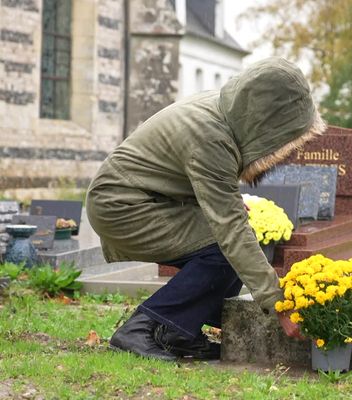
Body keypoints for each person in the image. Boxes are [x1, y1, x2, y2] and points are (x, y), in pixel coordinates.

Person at [86, 57, 325, 361]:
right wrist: (278, 304)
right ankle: (142, 328)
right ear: (268, 124)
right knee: (224, 247)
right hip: (122, 207)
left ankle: (177, 333)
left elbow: (176, 172)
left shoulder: (226, 113)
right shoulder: (211, 135)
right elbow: (231, 230)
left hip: (145, 198)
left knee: (228, 246)